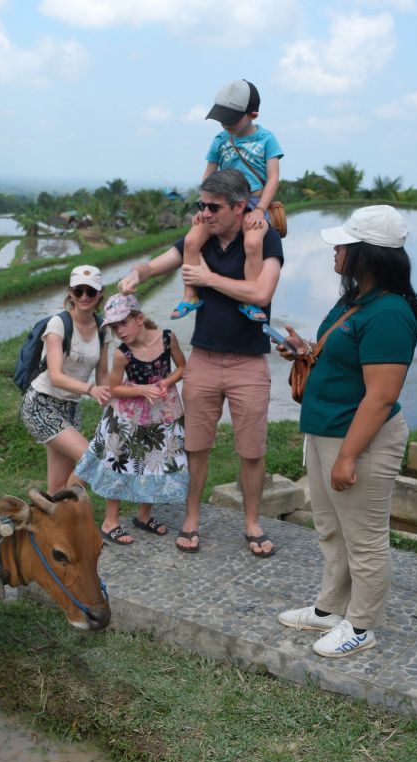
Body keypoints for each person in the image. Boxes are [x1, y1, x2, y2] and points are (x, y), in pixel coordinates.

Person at [273, 205, 417, 658]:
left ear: (368, 254)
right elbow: (348, 357)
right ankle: (329, 608)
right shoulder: (356, 300)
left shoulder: (389, 314)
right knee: (330, 528)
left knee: (363, 537)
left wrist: (347, 457)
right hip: (326, 431)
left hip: (358, 439)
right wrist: (307, 350)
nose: (335, 250)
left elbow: (380, 396)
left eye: (343, 244)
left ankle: (361, 625)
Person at [119, 169, 283, 556]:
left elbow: (261, 292)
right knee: (196, 445)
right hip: (204, 359)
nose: (205, 213)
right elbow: (159, 265)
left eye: (213, 207)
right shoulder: (201, 238)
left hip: (249, 363)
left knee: (252, 450)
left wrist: (207, 279)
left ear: (240, 207)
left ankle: (252, 522)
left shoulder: (263, 237)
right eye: (201, 205)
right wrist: (137, 272)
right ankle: (191, 518)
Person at [75, 294, 188, 545]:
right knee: (120, 463)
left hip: (162, 412)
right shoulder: (122, 354)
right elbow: (114, 387)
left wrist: (166, 382)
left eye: (123, 324)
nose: (119, 331)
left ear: (140, 318)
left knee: (153, 462)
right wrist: (142, 390)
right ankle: (110, 522)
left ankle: (144, 516)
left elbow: (182, 366)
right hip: (128, 416)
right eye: (114, 327)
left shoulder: (167, 338)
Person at [174, 79, 283, 322]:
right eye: (222, 118)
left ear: (252, 114)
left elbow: (273, 178)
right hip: (221, 204)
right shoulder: (219, 140)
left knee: (253, 243)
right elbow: (208, 176)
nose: (225, 124)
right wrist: (204, 206)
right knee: (191, 241)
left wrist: (260, 210)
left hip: (253, 202)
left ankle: (249, 299)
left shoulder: (267, 139)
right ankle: (190, 294)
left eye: (232, 119)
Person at [20, 265, 113, 494]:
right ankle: (69, 514)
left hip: (71, 408)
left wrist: (114, 404)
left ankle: (52, 520)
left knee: (58, 487)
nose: (84, 297)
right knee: (93, 460)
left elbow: (103, 373)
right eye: (78, 291)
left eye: (90, 292)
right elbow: (56, 376)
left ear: (100, 294)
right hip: (42, 404)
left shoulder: (103, 329)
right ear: (70, 292)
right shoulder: (58, 324)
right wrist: (90, 389)